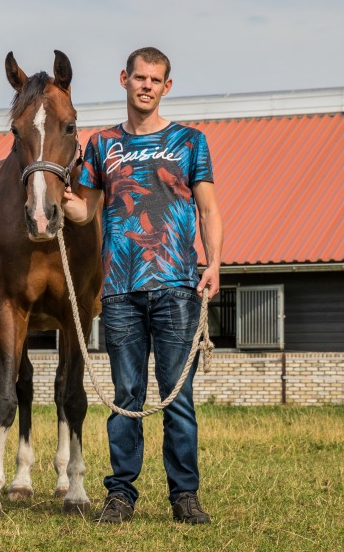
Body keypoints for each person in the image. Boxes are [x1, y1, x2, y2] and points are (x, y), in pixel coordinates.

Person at [61, 47, 223, 524]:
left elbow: (209, 209)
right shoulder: (101, 145)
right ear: (124, 80)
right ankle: (121, 496)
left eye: (155, 79)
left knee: (179, 397)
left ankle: (184, 496)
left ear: (166, 87)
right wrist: (58, 202)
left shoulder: (191, 142)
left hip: (177, 287)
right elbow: (85, 211)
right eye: (139, 78)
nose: (146, 86)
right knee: (125, 397)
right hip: (118, 290)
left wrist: (213, 264)